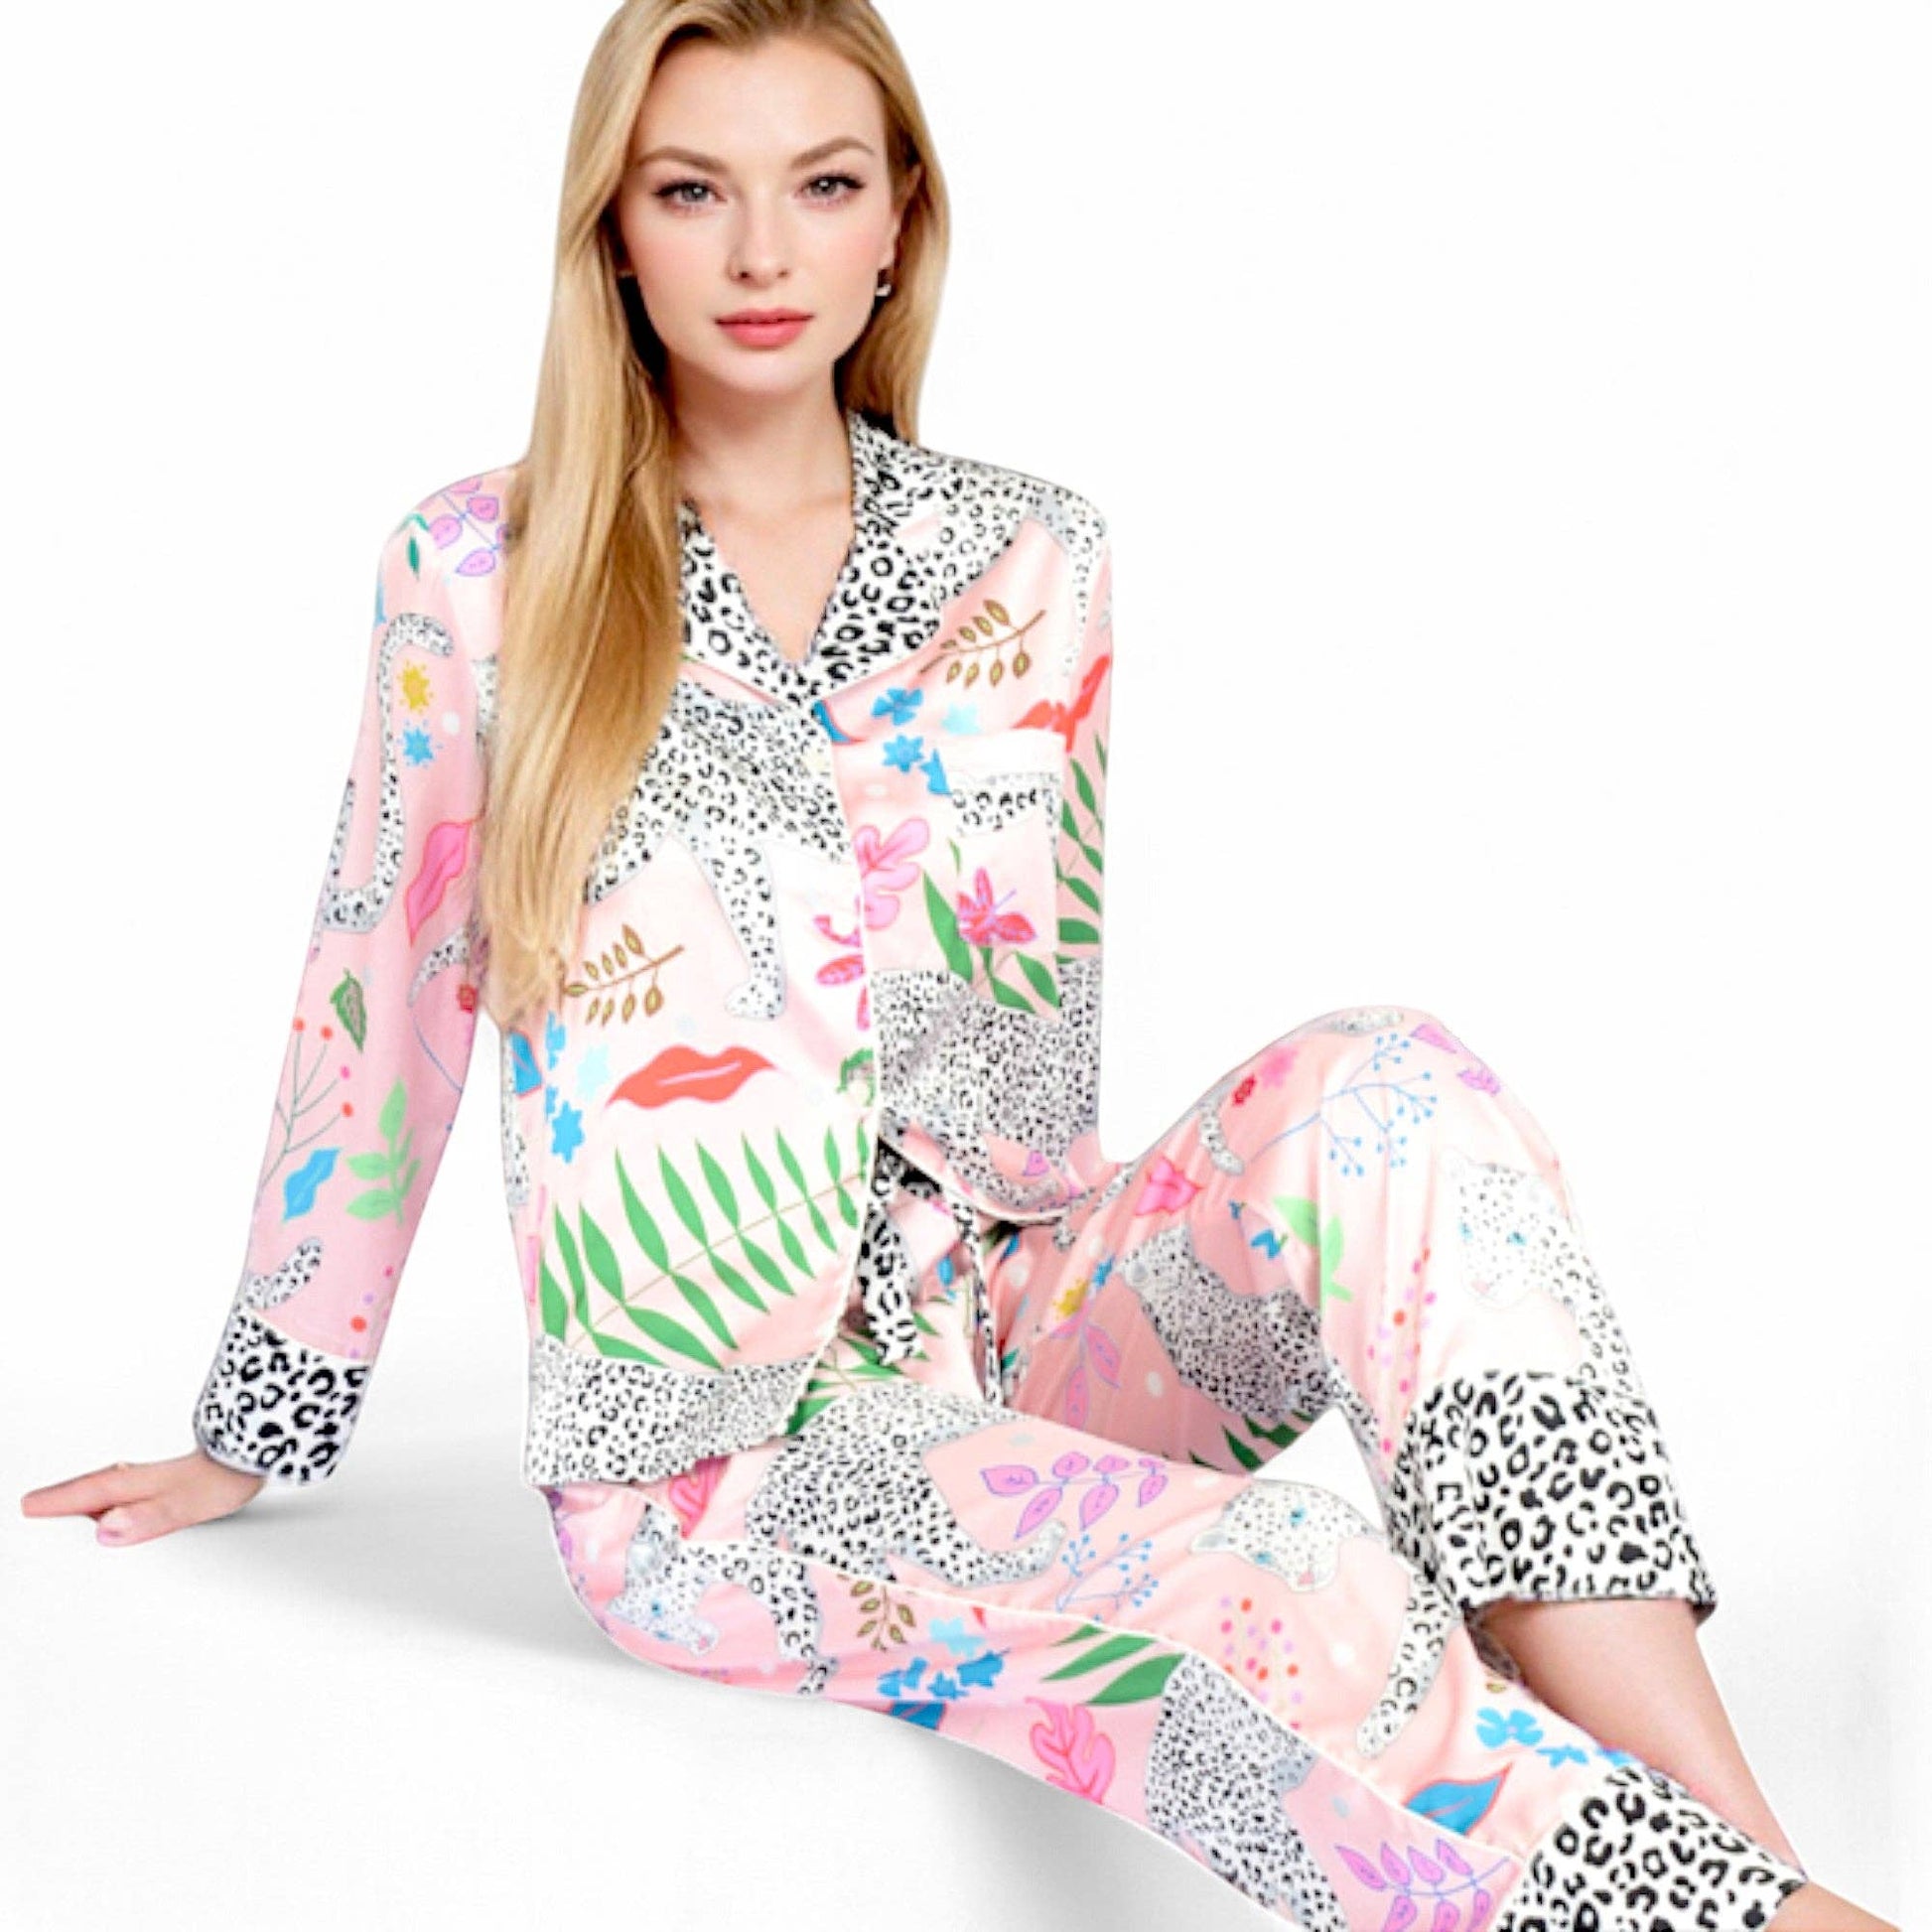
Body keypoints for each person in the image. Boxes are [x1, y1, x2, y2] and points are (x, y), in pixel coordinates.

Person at [19, 4, 1895, 1926]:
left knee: (1394, 1084)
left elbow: (1022, 1025)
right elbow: (385, 984)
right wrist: (255, 1425)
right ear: (614, 233)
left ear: (898, 219)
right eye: (693, 192)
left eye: (822, 185)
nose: (763, 252)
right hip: (720, 1450)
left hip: (1014, 1324)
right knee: (1294, 1567)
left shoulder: (1030, 554)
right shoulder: (479, 569)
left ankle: (1753, 1877)